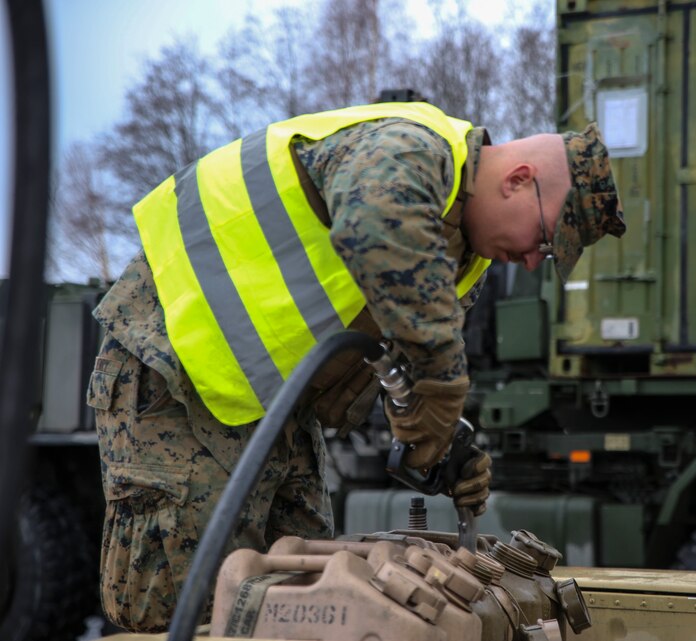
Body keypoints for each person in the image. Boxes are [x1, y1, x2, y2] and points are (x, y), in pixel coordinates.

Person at [86, 101, 626, 632]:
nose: (532, 261)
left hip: (272, 404)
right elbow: (379, 234)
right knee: (183, 608)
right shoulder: (409, 149)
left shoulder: (465, 256)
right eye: (544, 241)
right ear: (518, 180)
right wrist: (442, 383)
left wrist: (445, 447)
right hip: (175, 370)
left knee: (303, 602)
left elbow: (405, 366)